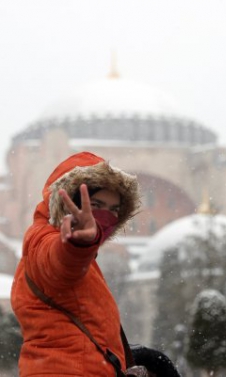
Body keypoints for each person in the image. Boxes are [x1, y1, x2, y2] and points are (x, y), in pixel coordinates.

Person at [11, 151, 143, 376]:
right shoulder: (45, 239)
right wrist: (76, 247)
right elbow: (58, 264)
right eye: (96, 205)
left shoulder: (89, 261)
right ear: (68, 202)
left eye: (113, 210)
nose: (105, 216)